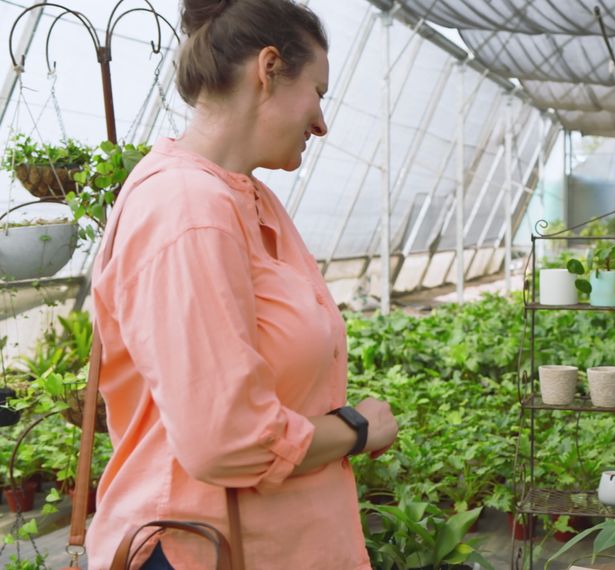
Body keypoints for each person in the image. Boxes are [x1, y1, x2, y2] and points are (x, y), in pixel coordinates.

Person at [85, 1, 398, 568]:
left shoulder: (251, 200)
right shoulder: (187, 209)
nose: (322, 122)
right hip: (205, 545)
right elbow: (225, 439)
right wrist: (358, 428)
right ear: (269, 68)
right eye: (319, 92)